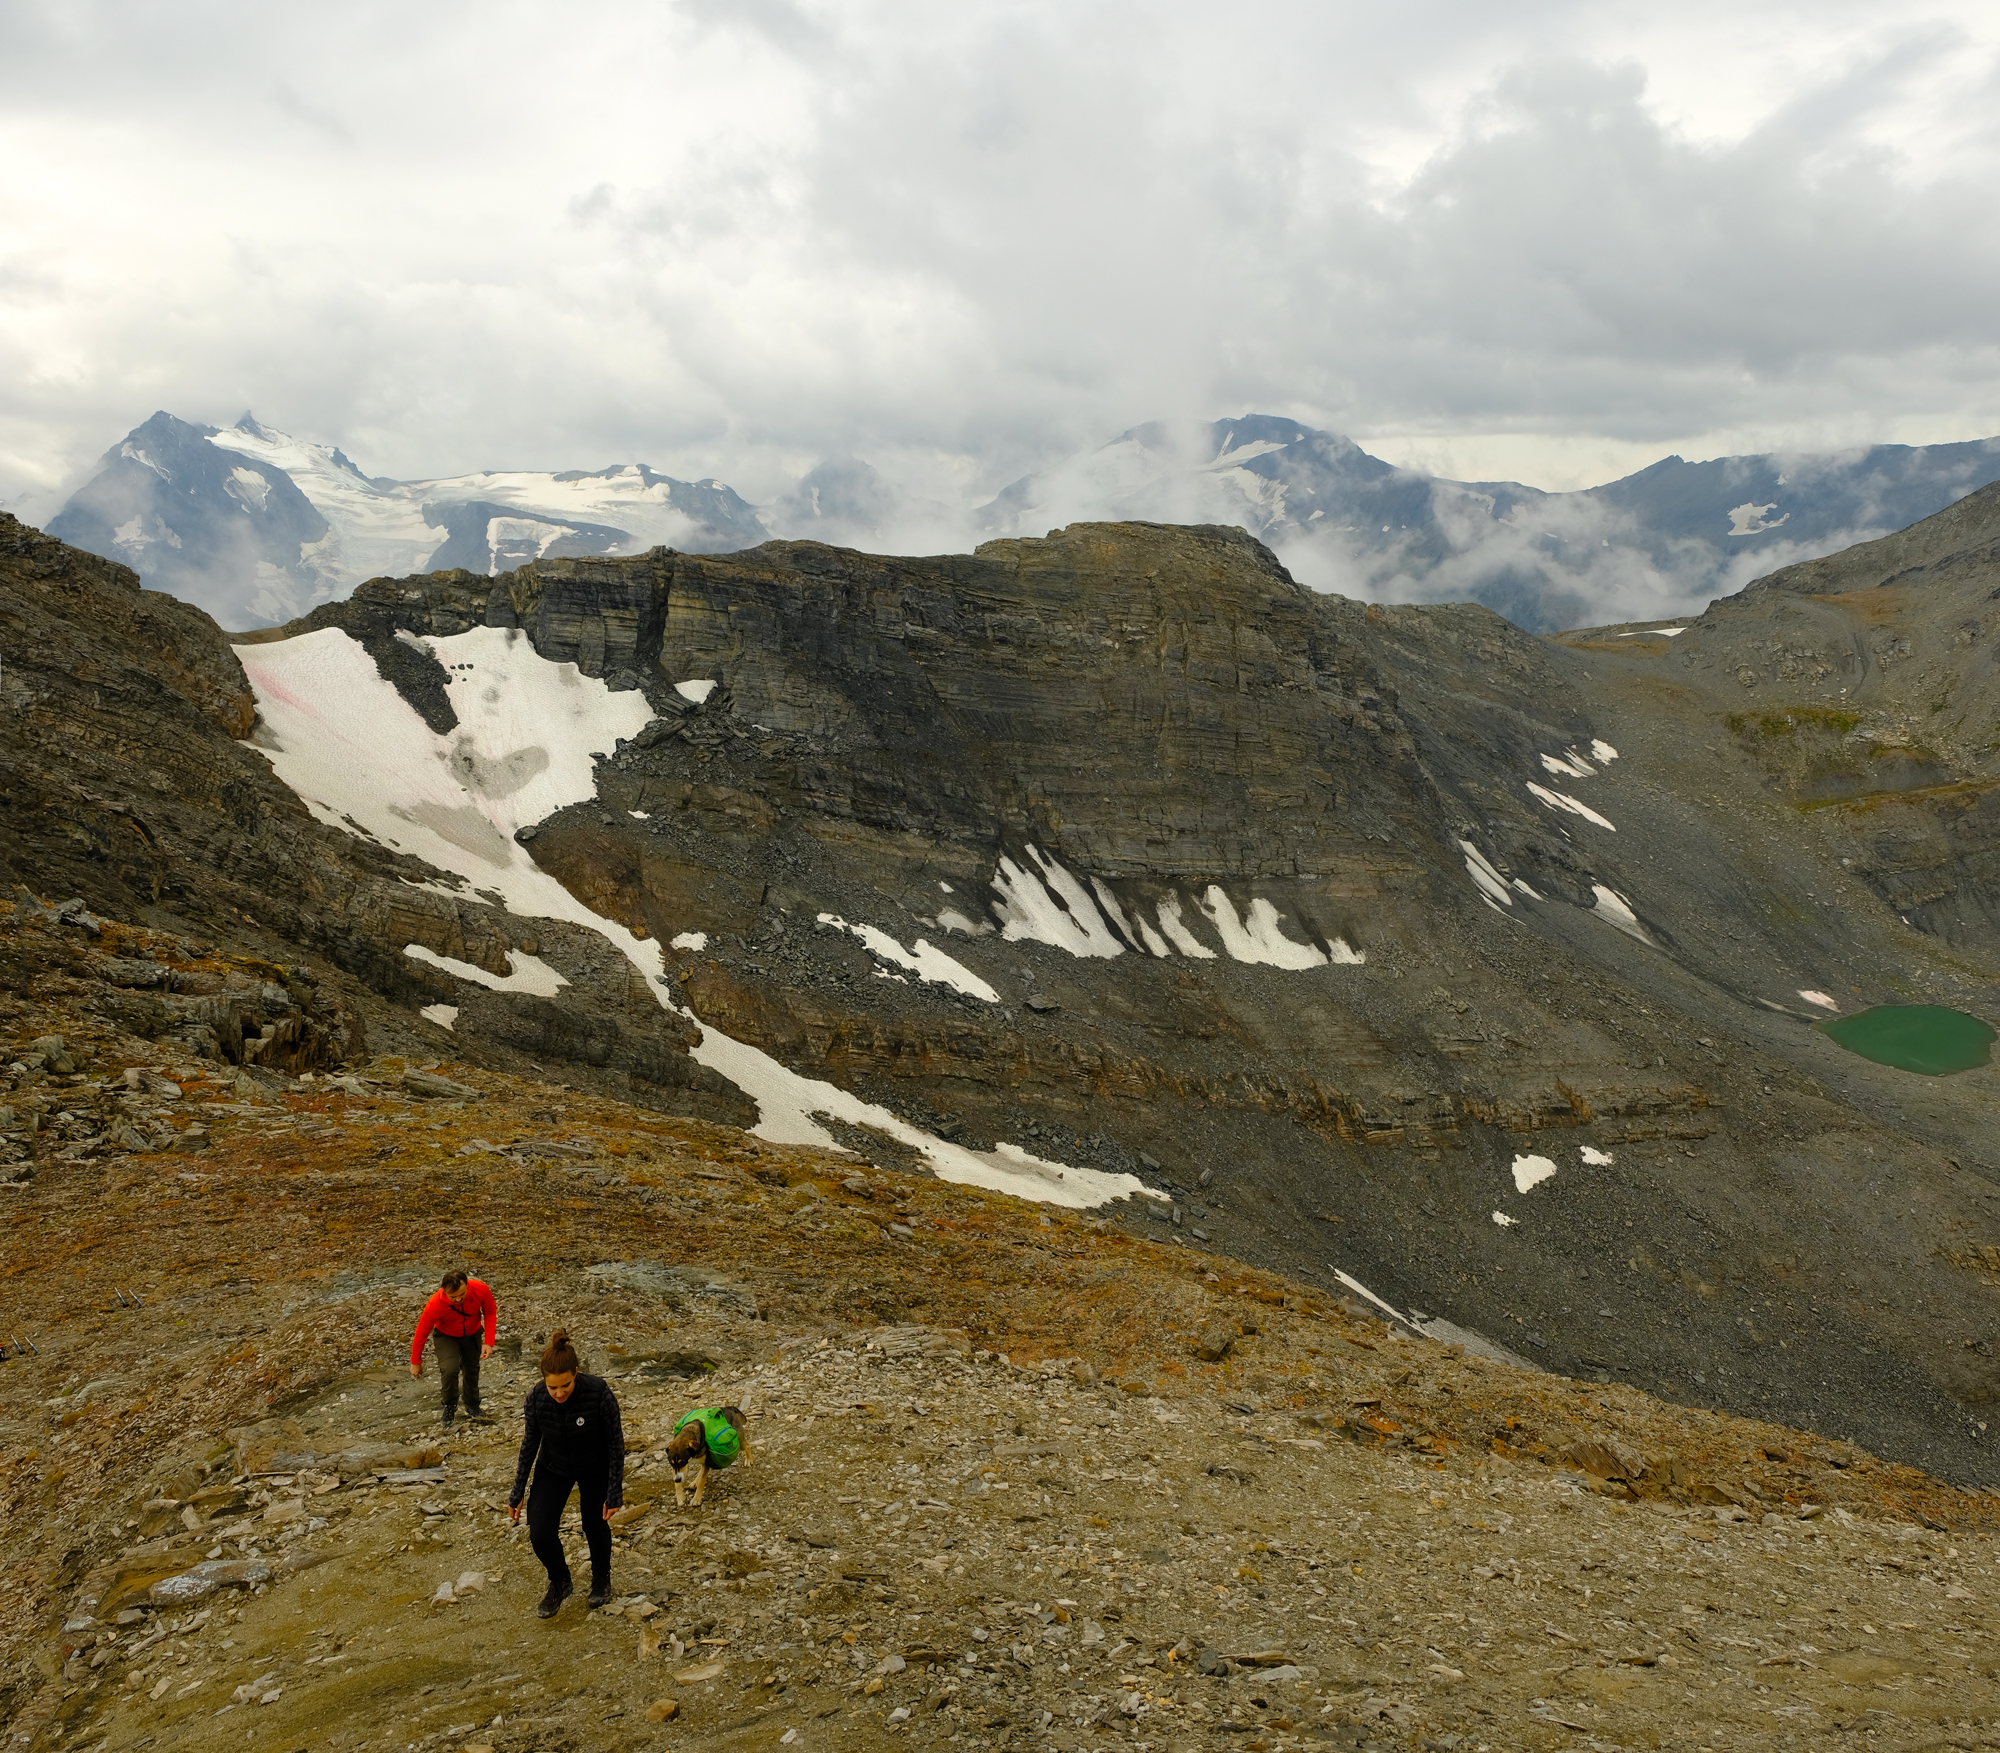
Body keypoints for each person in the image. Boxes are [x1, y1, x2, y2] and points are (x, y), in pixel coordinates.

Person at [507, 1328, 625, 1616]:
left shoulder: (598, 1393)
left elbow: (615, 1442)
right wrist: (517, 1491)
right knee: (540, 1532)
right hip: (553, 1467)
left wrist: (614, 1490)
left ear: (576, 1372)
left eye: (566, 1386)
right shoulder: (536, 1398)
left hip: (594, 1466)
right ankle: (559, 1581)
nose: (559, 1393)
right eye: (553, 1388)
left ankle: (601, 1579)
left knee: (594, 1524)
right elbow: (530, 1443)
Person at [409, 1270, 498, 1427]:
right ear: (444, 1291)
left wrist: (488, 1342)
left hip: (472, 1333)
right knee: (449, 1369)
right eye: (453, 1296)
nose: (458, 1299)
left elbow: (490, 1312)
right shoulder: (435, 1304)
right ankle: (449, 1406)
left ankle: (472, 1406)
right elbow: (421, 1331)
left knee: (472, 1369)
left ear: (467, 1284)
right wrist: (416, 1361)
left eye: (462, 1294)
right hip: (446, 1336)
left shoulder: (480, 1289)